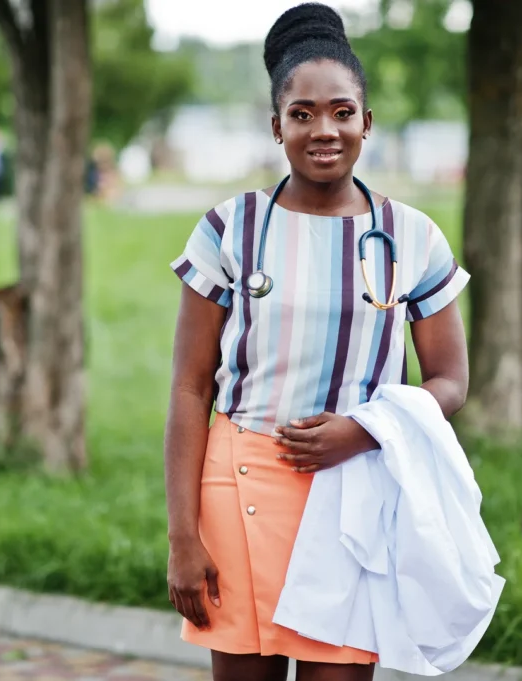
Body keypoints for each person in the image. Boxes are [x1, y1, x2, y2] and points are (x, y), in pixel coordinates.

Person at [162, 4, 471, 681]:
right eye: (302, 114)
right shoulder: (229, 230)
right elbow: (189, 387)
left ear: (367, 121)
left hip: (354, 490)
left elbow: (450, 380)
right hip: (239, 490)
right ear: (277, 126)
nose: (324, 130)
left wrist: (362, 431)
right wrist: (183, 536)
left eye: (341, 112)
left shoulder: (412, 236)